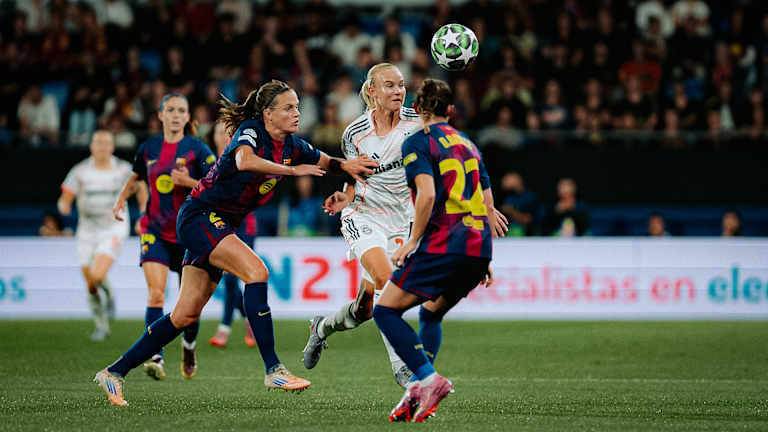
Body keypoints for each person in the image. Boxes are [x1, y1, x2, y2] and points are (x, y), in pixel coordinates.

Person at [93, 79, 378, 406]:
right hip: (199, 217)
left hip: (215, 224)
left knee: (184, 316)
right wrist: (293, 171)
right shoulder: (253, 131)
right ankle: (274, 369)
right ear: (268, 114)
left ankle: (114, 372)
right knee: (257, 272)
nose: (296, 113)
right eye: (288, 108)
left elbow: (324, 160)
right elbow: (244, 161)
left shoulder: (291, 145)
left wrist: (347, 166)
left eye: (297, 106)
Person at [372, 78, 499, 422]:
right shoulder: (470, 146)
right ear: (451, 111)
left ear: (416, 109)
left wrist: (412, 242)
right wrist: (480, 257)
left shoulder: (418, 142)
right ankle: (416, 386)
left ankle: (429, 380)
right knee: (430, 313)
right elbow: (485, 202)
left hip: (445, 244)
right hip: (476, 247)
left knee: (384, 311)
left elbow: (426, 194)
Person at [301, 63, 423, 387]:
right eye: (390, 86)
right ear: (372, 91)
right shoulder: (354, 134)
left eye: (401, 85)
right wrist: (345, 196)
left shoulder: (418, 124)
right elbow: (355, 176)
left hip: (402, 222)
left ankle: (321, 327)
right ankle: (403, 368)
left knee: (364, 309)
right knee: (389, 281)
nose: (398, 91)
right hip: (364, 216)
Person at [111, 94, 216, 381]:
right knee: (156, 293)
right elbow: (136, 176)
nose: (175, 115)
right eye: (170, 110)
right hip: (154, 230)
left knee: (190, 305)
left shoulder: (198, 150)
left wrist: (188, 182)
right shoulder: (148, 148)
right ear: (160, 116)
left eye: (181, 110)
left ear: (187, 116)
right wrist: (122, 198)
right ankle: (155, 357)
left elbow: (216, 187)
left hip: (188, 234)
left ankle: (189, 346)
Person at [58, 130, 139, 341]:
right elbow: (66, 195)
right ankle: (101, 324)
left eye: (106, 143)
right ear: (91, 146)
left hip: (114, 227)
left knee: (98, 275)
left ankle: (109, 299)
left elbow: (139, 186)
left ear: (112, 147)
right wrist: (64, 205)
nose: (102, 147)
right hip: (86, 230)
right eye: (98, 143)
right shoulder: (81, 171)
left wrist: (144, 208)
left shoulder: (122, 169)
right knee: (90, 283)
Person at [206, 120, 257, 349]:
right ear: (214, 137)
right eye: (219, 132)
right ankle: (249, 321)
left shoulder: (241, 159)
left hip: (243, 224)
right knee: (229, 277)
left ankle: (224, 329)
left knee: (234, 276)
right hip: (218, 224)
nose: (224, 136)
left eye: (228, 133)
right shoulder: (207, 162)